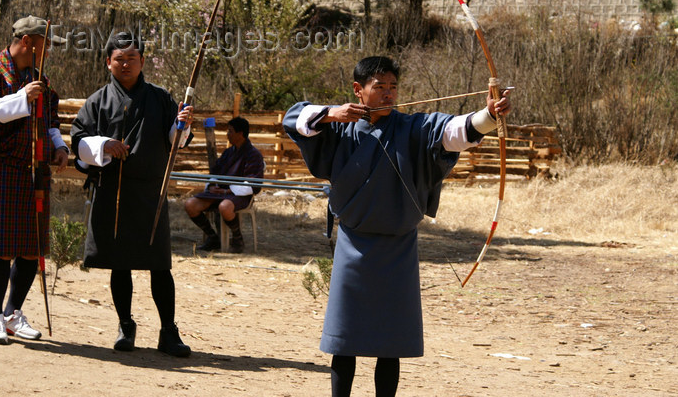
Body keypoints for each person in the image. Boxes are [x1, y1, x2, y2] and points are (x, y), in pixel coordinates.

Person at [282, 56, 512, 396]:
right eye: (380, 87)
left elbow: (453, 132)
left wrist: (489, 116)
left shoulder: (414, 128)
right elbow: (294, 118)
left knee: (390, 343)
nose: (389, 94)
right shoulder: (339, 126)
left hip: (398, 247)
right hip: (352, 244)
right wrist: (331, 113)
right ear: (359, 91)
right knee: (344, 340)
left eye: (393, 87)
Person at [70, 32, 194, 357]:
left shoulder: (160, 97)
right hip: (113, 192)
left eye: (132, 59)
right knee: (119, 263)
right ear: (108, 62)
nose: (125, 64)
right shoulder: (97, 100)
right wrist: (102, 145)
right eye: (119, 59)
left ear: (142, 62)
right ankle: (126, 326)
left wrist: (182, 125)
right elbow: (78, 140)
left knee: (159, 265)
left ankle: (169, 331)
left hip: (150, 191)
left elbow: (174, 140)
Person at [0, 15, 68, 344]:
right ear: (29, 42)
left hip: (35, 171)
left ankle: (12, 313)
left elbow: (51, 120)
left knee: (31, 249)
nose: (49, 51)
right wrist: (21, 98)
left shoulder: (40, 79)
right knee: (1, 249)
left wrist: (59, 147)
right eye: (46, 44)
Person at [184, 116, 264, 253]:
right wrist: (212, 186)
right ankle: (213, 237)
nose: (228, 135)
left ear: (241, 134)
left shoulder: (254, 155)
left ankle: (238, 239)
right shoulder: (228, 152)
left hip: (239, 195)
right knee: (190, 204)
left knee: (225, 207)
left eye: (230, 131)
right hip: (219, 193)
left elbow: (253, 184)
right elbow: (215, 173)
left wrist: (228, 192)